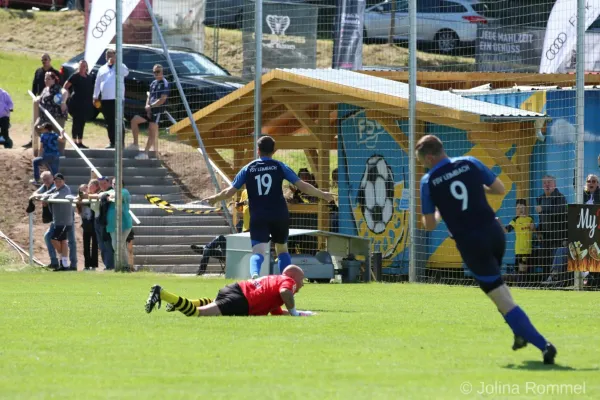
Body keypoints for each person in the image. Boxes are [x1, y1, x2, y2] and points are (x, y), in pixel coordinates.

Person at [416, 134, 556, 365]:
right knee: (500, 290)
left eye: (423, 161)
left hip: (472, 245)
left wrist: (440, 211)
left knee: (502, 300)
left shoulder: (428, 181)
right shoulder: (470, 162)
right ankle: (519, 332)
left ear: (429, 157)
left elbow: (429, 225)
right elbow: (499, 189)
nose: (424, 165)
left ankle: (544, 345)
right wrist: (475, 189)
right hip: (495, 233)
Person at [201, 136, 334, 279]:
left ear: (258, 150)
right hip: (279, 214)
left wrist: (214, 198)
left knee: (258, 251)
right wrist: (323, 194)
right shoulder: (279, 166)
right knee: (282, 249)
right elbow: (302, 186)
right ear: (273, 150)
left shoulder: (248, 168)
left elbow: (230, 192)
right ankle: (285, 279)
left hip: (259, 215)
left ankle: (255, 275)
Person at [145, 265, 315, 317]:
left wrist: (302, 314)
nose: (302, 284)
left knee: (212, 304)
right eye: (302, 279)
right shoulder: (288, 281)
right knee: (198, 314)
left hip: (235, 289)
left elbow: (276, 312)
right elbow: (286, 293)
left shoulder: (275, 281)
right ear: (293, 276)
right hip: (242, 300)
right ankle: (162, 294)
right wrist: (294, 312)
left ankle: (179, 303)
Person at [129, 64, 169, 159]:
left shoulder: (165, 83)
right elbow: (149, 95)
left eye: (158, 71)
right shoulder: (153, 83)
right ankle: (135, 144)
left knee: (152, 130)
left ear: (162, 72)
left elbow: (162, 99)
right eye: (154, 72)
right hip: (149, 109)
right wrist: (147, 106)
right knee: (134, 120)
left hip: (157, 110)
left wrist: (151, 106)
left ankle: (146, 153)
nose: (156, 74)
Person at [93, 49, 129, 149]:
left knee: (119, 121)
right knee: (109, 122)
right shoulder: (102, 69)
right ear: (105, 57)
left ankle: (120, 143)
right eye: (108, 55)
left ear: (115, 56)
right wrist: (95, 96)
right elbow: (97, 83)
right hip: (106, 99)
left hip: (118, 99)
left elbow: (126, 73)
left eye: (112, 55)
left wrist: (117, 63)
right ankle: (112, 142)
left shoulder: (120, 66)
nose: (110, 57)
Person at [24, 53, 61, 149]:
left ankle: (50, 143)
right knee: (36, 121)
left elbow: (60, 89)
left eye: (45, 59)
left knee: (49, 124)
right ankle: (34, 140)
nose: (44, 61)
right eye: (42, 60)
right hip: (39, 101)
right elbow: (34, 84)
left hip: (51, 104)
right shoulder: (38, 71)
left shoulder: (54, 73)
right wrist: (33, 95)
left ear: (50, 60)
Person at [535, 175, 568, 283]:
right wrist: (539, 231)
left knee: (556, 260)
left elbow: (560, 211)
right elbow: (541, 219)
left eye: (549, 182)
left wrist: (543, 209)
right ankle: (546, 283)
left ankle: (559, 282)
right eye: (544, 183)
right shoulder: (540, 199)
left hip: (558, 236)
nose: (547, 185)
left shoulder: (560, 197)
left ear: (555, 184)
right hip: (545, 237)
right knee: (544, 261)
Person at [64, 60, 94, 149]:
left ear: (87, 67)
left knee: (82, 122)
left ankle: (80, 142)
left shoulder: (89, 78)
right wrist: (67, 95)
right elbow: (65, 86)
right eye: (81, 66)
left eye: (84, 66)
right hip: (76, 103)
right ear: (78, 67)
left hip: (85, 104)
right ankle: (74, 141)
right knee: (76, 122)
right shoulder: (75, 76)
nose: (83, 67)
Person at [504, 199, 535, 286]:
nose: (520, 209)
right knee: (521, 270)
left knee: (527, 270)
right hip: (520, 250)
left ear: (526, 208)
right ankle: (519, 285)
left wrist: (534, 229)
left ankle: (517, 282)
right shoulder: (515, 220)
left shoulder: (530, 219)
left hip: (529, 249)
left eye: (522, 207)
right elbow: (507, 229)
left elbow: (534, 231)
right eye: (518, 208)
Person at [88, 177, 114, 270]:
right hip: (98, 221)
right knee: (102, 246)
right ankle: (107, 265)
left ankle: (110, 266)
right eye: (100, 184)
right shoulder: (100, 192)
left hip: (105, 222)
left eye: (104, 183)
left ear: (109, 183)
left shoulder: (111, 191)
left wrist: (87, 195)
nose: (102, 185)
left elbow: (102, 196)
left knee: (107, 245)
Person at [106, 178, 133, 269]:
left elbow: (117, 196)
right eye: (113, 183)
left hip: (124, 224)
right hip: (112, 224)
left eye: (117, 183)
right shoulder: (110, 191)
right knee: (115, 245)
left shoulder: (124, 191)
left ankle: (124, 266)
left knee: (119, 245)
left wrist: (108, 197)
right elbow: (101, 194)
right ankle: (121, 265)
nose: (115, 185)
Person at [76, 184, 98, 270]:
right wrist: (80, 198)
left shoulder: (92, 196)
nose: (83, 192)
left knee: (95, 245)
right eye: (81, 190)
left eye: (84, 189)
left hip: (94, 222)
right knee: (86, 244)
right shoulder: (80, 199)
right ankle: (87, 265)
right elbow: (77, 201)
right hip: (85, 223)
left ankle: (94, 265)